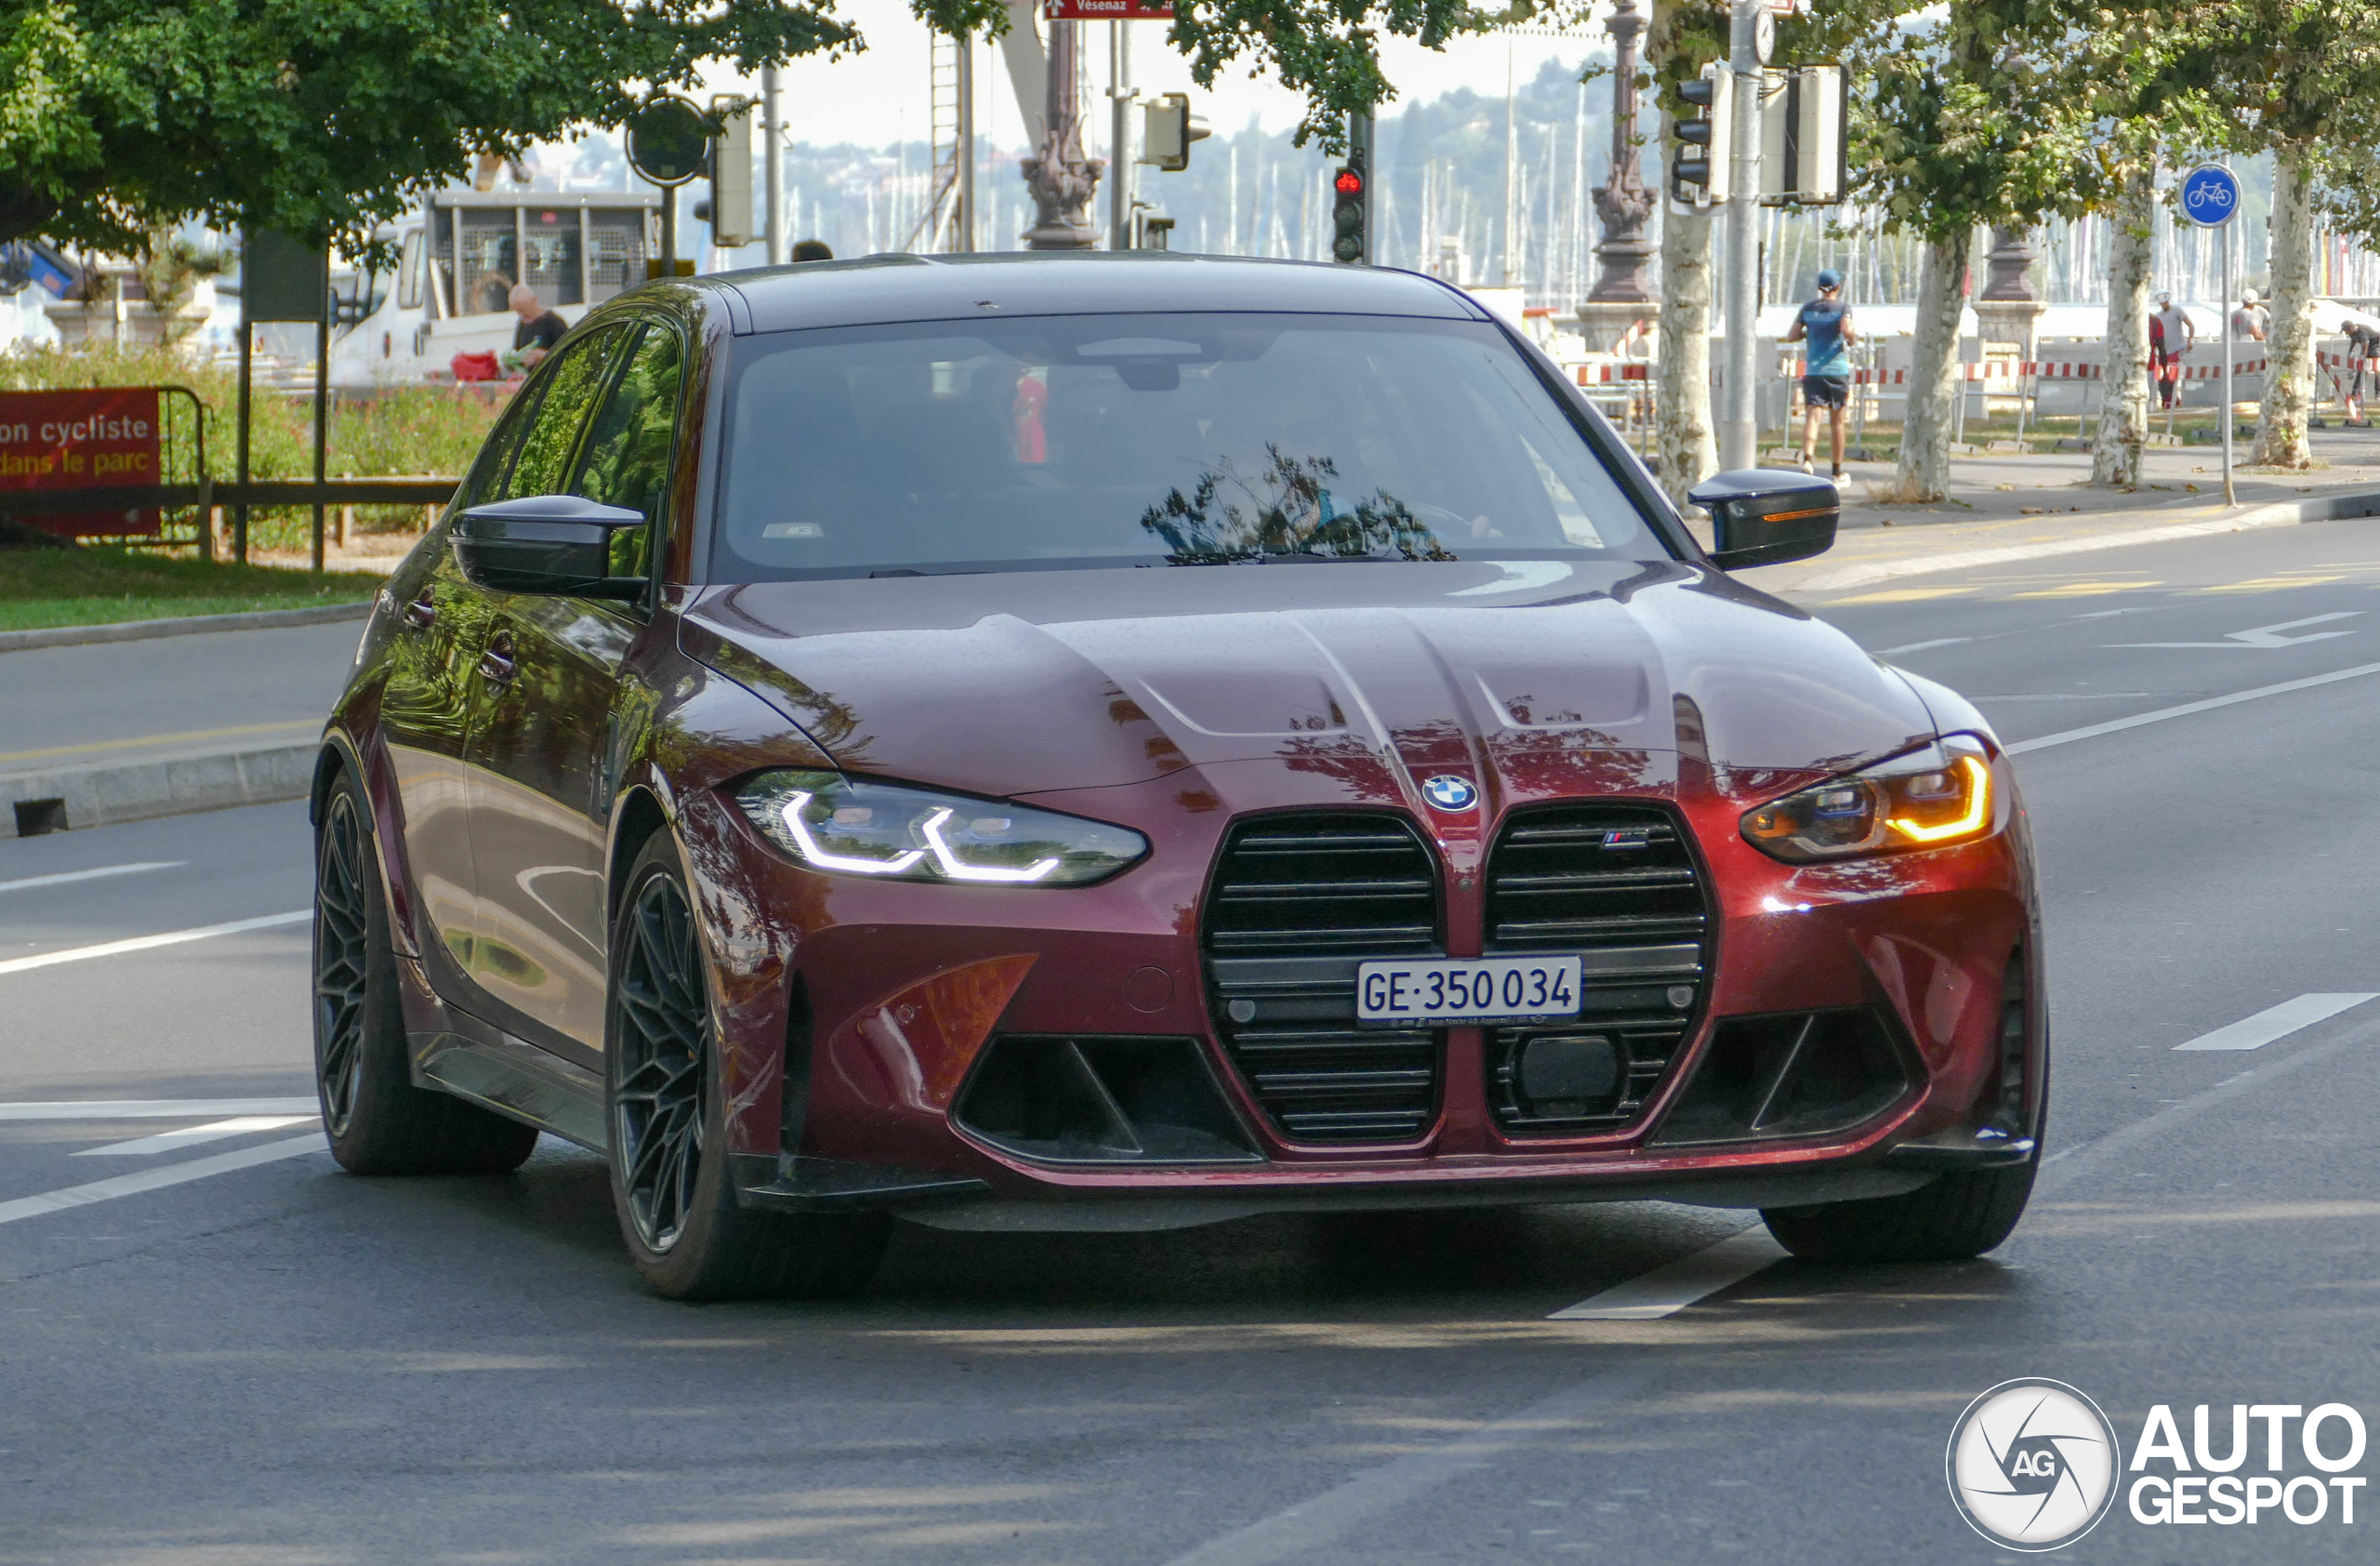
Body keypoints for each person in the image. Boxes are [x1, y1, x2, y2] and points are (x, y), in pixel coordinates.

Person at [1782, 268, 1859, 483]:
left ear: (1819, 288)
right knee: (1837, 422)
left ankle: (1807, 460)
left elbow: (1792, 335)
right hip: (1836, 371)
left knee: (1813, 417)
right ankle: (1836, 471)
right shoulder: (1843, 308)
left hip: (1813, 371)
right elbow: (1846, 329)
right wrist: (1852, 339)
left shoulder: (1807, 308)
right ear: (1838, 287)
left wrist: (1810, 332)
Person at [2150, 290, 2193, 410]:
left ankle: (2174, 400)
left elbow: (2190, 324)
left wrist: (2189, 340)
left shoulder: (2177, 311)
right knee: (2162, 378)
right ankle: (2167, 400)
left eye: (2165, 302)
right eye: (2162, 303)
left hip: (2176, 350)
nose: (2164, 305)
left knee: (2173, 377)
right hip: (2164, 352)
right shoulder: (2158, 316)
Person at [509, 284, 567, 365]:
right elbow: (517, 351)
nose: (521, 314)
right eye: (518, 311)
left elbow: (567, 353)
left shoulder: (553, 322)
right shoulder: (521, 324)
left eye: (524, 309)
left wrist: (544, 356)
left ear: (534, 301)